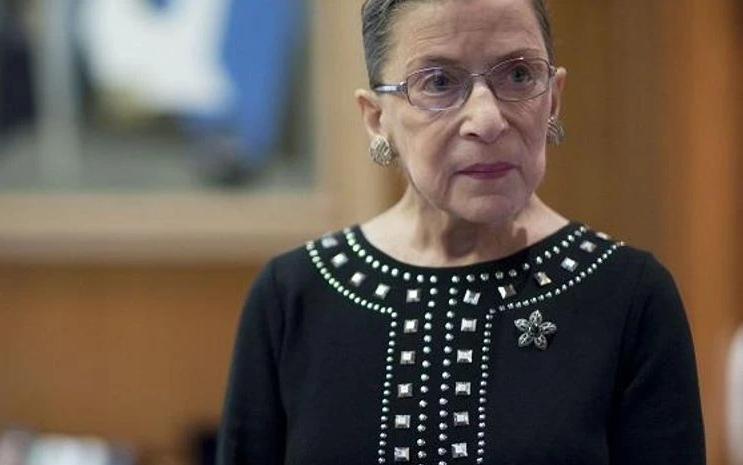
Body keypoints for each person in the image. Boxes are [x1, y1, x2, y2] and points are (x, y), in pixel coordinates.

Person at [215, 0, 705, 463]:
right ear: (376, 118)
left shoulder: (628, 295)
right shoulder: (292, 296)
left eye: (518, 74)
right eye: (439, 82)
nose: (487, 120)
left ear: (553, 99)